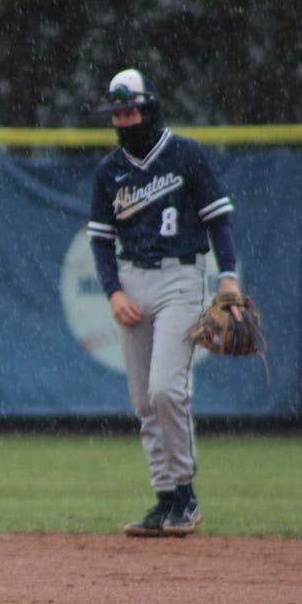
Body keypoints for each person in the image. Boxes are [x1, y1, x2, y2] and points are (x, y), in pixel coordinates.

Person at [87, 68, 243, 537]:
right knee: (142, 400)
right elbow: (99, 241)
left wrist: (229, 279)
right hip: (132, 281)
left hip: (181, 276)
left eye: (131, 111)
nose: (124, 121)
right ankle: (165, 498)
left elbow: (219, 222)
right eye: (117, 114)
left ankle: (187, 494)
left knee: (166, 391)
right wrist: (113, 291)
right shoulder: (109, 171)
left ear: (149, 110)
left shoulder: (186, 154)